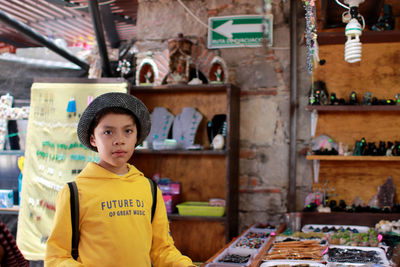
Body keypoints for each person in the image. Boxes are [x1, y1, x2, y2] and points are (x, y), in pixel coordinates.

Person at [45, 92, 194, 267]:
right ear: (93, 139)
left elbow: (162, 249)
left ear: (136, 137)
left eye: (128, 131)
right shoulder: (75, 192)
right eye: (108, 132)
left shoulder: (149, 189)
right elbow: (56, 258)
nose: (119, 141)